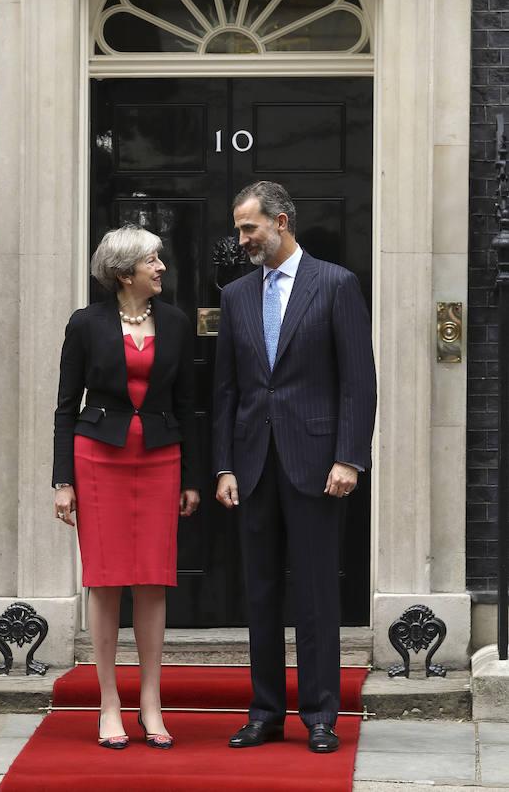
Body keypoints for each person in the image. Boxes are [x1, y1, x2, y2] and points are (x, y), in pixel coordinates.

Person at [213, 181, 376, 754]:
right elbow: (227, 390)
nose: (242, 239)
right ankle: (265, 713)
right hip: (253, 466)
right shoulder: (235, 296)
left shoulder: (335, 284)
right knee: (258, 593)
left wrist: (350, 457)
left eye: (249, 227)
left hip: (317, 465)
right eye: (239, 229)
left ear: (280, 221)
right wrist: (224, 466)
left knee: (314, 594)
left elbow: (359, 381)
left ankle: (321, 716)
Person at [52, 224, 200, 750]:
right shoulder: (86, 324)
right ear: (123, 272)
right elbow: (66, 407)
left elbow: (188, 407)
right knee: (107, 577)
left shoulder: (178, 324)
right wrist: (62, 481)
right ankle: (109, 701)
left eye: (159, 259)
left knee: (153, 580)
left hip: (161, 459)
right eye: (152, 260)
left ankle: (152, 703)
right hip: (98, 461)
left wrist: (192, 479)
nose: (161, 267)